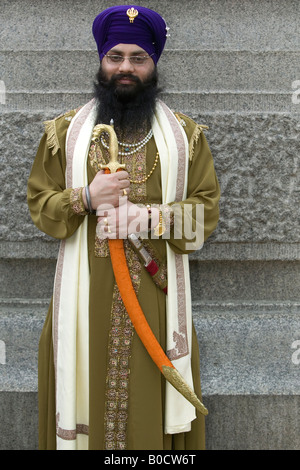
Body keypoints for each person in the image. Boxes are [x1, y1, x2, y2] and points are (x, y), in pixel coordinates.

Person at [27, 5, 220, 451]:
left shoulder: (187, 137)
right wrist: (87, 198)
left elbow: (205, 215)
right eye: (115, 57)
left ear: (154, 65)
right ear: (101, 61)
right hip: (83, 301)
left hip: (156, 303)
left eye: (138, 58)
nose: (125, 68)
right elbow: (41, 205)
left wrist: (149, 218)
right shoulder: (64, 134)